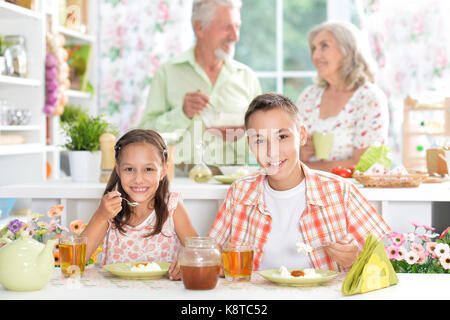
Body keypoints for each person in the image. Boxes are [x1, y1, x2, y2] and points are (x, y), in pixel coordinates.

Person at [208, 93, 391, 272]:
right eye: (260, 140)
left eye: (282, 137)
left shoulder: (340, 191)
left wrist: (356, 257)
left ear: (302, 135)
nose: (272, 152)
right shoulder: (240, 192)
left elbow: (388, 262)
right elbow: (210, 256)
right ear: (250, 144)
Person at [139, 0, 261, 168]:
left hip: (235, 181)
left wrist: (245, 132)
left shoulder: (247, 77)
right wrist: (182, 114)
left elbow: (264, 140)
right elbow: (144, 135)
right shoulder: (167, 73)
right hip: (181, 180)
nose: (235, 36)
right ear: (199, 28)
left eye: (237, 26)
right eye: (227, 27)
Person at [82, 129, 198, 280]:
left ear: (163, 171)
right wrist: (101, 216)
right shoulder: (110, 210)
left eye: (148, 169)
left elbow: (201, 253)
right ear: (118, 170)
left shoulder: (172, 207)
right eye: (129, 169)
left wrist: (188, 262)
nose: (138, 179)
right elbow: (76, 261)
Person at [296, 21, 389, 172]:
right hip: (309, 191)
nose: (315, 55)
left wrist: (305, 168)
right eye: (314, 48)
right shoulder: (309, 95)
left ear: (348, 50)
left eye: (324, 46)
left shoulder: (369, 98)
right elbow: (288, 155)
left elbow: (364, 165)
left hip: (353, 193)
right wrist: (301, 154)